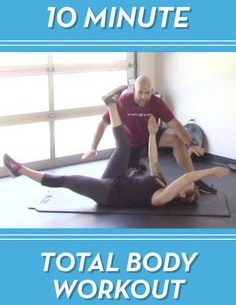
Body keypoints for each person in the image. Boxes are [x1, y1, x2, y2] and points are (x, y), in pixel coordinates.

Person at [3, 87, 230, 209]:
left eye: (188, 185)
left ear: (183, 193)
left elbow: (186, 177)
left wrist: (211, 171)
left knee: (67, 179)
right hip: (117, 178)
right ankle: (111, 102)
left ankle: (19, 169)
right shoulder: (161, 181)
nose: (186, 181)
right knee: (123, 145)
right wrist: (152, 134)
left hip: (108, 193)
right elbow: (153, 160)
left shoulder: (162, 198)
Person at [82, 76, 216, 194]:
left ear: (151, 91)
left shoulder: (156, 102)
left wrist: (190, 143)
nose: (143, 97)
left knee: (175, 137)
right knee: (112, 183)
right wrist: (93, 147)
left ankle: (195, 179)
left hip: (151, 136)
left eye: (147, 93)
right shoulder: (123, 101)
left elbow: (174, 123)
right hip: (129, 145)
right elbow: (103, 124)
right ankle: (135, 165)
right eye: (140, 92)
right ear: (134, 90)